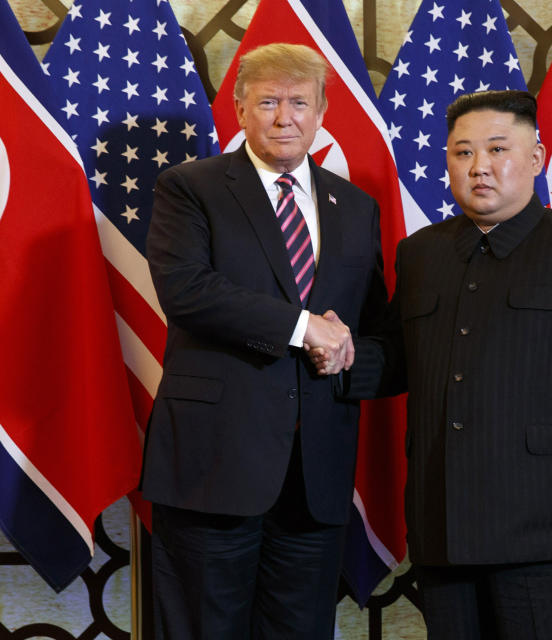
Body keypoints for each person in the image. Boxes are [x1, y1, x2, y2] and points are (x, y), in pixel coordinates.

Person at [315, 90, 552, 639]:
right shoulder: (422, 251)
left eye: (497, 149)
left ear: (536, 159)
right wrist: (335, 354)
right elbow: (399, 357)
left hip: (546, 519)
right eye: (463, 153)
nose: (480, 167)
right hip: (443, 519)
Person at [140, 43, 388, 639]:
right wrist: (308, 330)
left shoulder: (355, 206)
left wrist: (347, 351)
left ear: (323, 110)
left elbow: (373, 327)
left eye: (299, 102)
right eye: (269, 102)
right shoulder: (190, 188)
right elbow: (188, 291)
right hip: (214, 468)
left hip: (316, 480)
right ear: (240, 109)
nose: (285, 118)